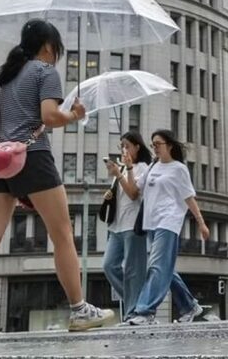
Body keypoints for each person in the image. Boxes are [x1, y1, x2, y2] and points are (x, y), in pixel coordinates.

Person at [0, 20, 112, 337]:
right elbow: (49, 116)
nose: (56, 54)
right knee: (62, 234)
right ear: (47, 46)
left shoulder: (9, 76)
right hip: (32, 158)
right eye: (56, 48)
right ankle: (80, 309)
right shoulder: (45, 72)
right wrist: (74, 114)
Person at [124, 130, 210, 325]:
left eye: (158, 144)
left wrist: (201, 223)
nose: (154, 147)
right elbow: (134, 191)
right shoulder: (152, 167)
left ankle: (145, 311)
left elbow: (189, 197)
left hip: (169, 221)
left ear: (169, 145)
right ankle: (190, 306)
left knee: (155, 266)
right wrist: (128, 168)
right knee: (165, 269)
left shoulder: (179, 168)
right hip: (151, 223)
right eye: (152, 144)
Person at [102, 131, 152, 321]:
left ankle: (134, 311)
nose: (124, 149)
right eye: (121, 146)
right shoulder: (122, 169)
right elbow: (121, 194)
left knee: (133, 271)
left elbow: (132, 193)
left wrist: (124, 171)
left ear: (137, 147)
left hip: (133, 226)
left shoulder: (142, 168)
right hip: (116, 226)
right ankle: (138, 304)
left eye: (127, 146)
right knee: (109, 266)